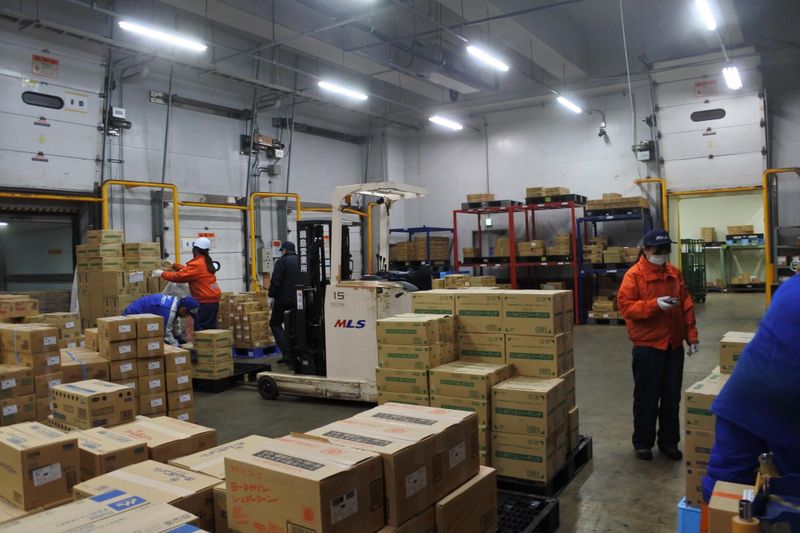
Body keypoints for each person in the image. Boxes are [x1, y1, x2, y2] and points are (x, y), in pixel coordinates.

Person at [702, 274, 800, 503]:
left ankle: (716, 515)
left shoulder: (790, 287)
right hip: (779, 400)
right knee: (789, 490)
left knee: (724, 486)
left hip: (742, 397)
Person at [617, 228, 699, 461]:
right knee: (647, 397)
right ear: (645, 250)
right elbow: (626, 307)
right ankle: (643, 443)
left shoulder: (674, 273)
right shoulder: (634, 276)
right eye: (658, 249)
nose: (662, 254)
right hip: (648, 346)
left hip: (673, 346)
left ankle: (669, 442)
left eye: (666, 249)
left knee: (672, 397)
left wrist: (691, 336)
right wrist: (655, 305)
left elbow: (686, 305)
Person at [153, 237, 221, 331]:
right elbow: (189, 271)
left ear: (196, 249)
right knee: (211, 330)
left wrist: (162, 274)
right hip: (213, 301)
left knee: (202, 331)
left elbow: (180, 277)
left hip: (204, 303)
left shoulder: (198, 263)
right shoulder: (205, 261)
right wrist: (174, 265)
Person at [123, 294, 199, 346]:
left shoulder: (175, 304)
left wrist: (179, 338)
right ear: (183, 310)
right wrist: (180, 348)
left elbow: (175, 322)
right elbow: (167, 335)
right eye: (188, 314)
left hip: (140, 314)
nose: (187, 317)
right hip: (131, 316)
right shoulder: (167, 311)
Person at [269, 241, 299, 367]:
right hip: (298, 300)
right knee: (293, 326)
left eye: (282, 250)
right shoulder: (301, 261)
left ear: (285, 250)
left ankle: (287, 353)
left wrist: (271, 294)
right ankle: (295, 354)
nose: (281, 252)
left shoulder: (281, 262)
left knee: (275, 323)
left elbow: (276, 281)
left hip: (283, 300)